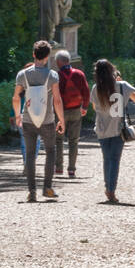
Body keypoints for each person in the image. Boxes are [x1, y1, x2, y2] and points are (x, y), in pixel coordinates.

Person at [12, 40, 66, 202]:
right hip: (47, 120)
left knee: (29, 154)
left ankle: (31, 191)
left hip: (28, 119)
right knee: (50, 151)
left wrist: (17, 116)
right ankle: (47, 188)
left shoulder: (22, 75)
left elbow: (16, 98)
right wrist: (61, 119)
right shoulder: (52, 75)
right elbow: (57, 100)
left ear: (34, 54)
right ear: (48, 56)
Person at [88, 58, 135, 203]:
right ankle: (111, 189)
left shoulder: (95, 88)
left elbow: (94, 107)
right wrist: (123, 86)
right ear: (112, 71)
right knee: (115, 160)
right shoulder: (122, 85)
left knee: (107, 159)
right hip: (118, 129)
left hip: (102, 128)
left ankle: (108, 187)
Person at [53, 50, 89, 178]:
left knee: (58, 140)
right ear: (69, 60)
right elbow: (86, 91)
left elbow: (54, 96)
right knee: (73, 141)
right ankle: (72, 169)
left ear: (58, 62)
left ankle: (58, 167)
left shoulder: (56, 76)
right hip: (75, 110)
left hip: (60, 112)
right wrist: (84, 107)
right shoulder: (79, 74)